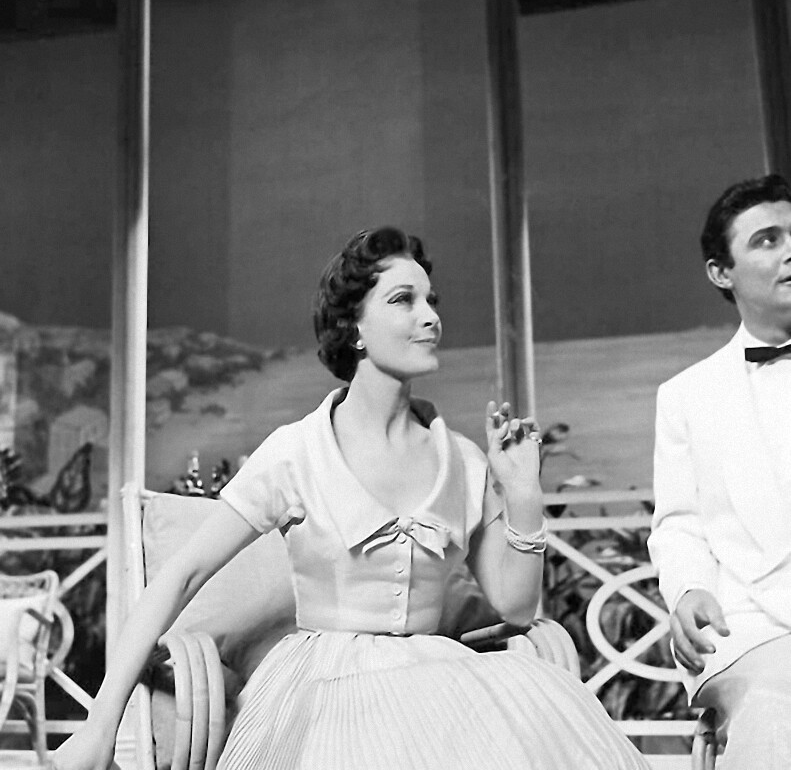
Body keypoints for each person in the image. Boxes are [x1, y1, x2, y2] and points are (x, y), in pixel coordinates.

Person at [54, 226, 648, 769]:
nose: (430, 317)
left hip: (445, 695)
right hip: (320, 698)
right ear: (353, 328)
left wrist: (523, 493)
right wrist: (100, 726)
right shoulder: (297, 452)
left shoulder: (463, 459)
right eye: (403, 300)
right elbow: (181, 576)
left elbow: (516, 607)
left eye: (431, 300)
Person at [648, 175, 791, 768]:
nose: (790, 250)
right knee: (778, 708)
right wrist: (688, 589)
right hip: (749, 623)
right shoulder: (689, 396)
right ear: (720, 273)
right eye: (767, 239)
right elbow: (678, 524)